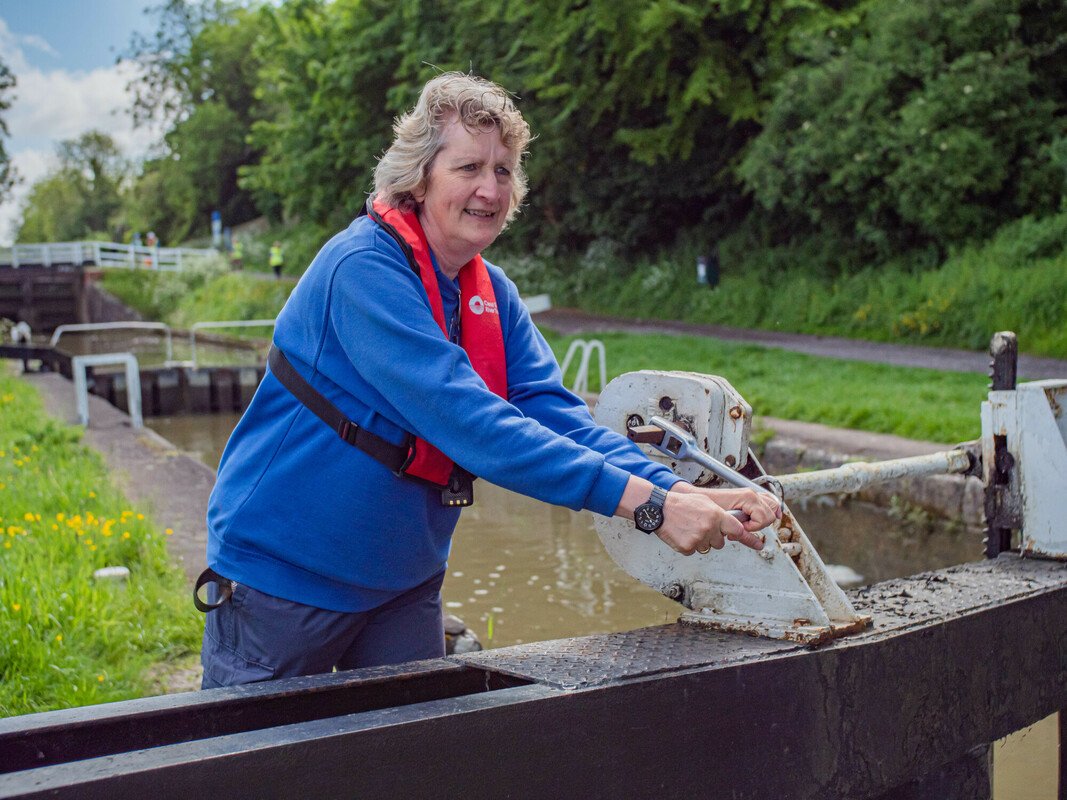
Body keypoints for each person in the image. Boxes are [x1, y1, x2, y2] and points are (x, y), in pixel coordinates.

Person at [197, 72, 779, 689]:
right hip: (286, 579)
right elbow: (470, 423)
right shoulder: (362, 269)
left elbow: (556, 417)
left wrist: (675, 490)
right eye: (469, 167)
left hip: (403, 582)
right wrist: (649, 507)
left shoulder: (491, 294)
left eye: (503, 170)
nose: (490, 189)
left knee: (417, 743)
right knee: (261, 746)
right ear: (419, 177)